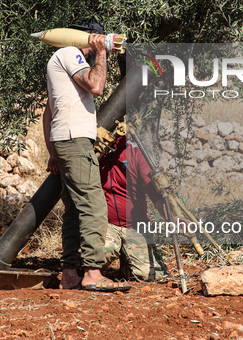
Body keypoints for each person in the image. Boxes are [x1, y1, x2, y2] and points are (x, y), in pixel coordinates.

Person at [43, 18, 130, 292]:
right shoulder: (70, 53)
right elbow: (96, 86)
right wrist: (102, 53)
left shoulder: (64, 59)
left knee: (73, 209)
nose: (96, 45)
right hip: (74, 141)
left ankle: (70, 274)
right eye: (95, 38)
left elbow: (49, 111)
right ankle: (93, 272)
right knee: (93, 205)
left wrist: (53, 151)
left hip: (66, 139)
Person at [99, 134, 171, 281]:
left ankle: (127, 261)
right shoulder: (96, 150)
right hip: (106, 225)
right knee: (100, 255)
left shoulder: (136, 151)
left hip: (136, 227)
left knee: (149, 275)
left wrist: (171, 218)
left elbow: (154, 191)